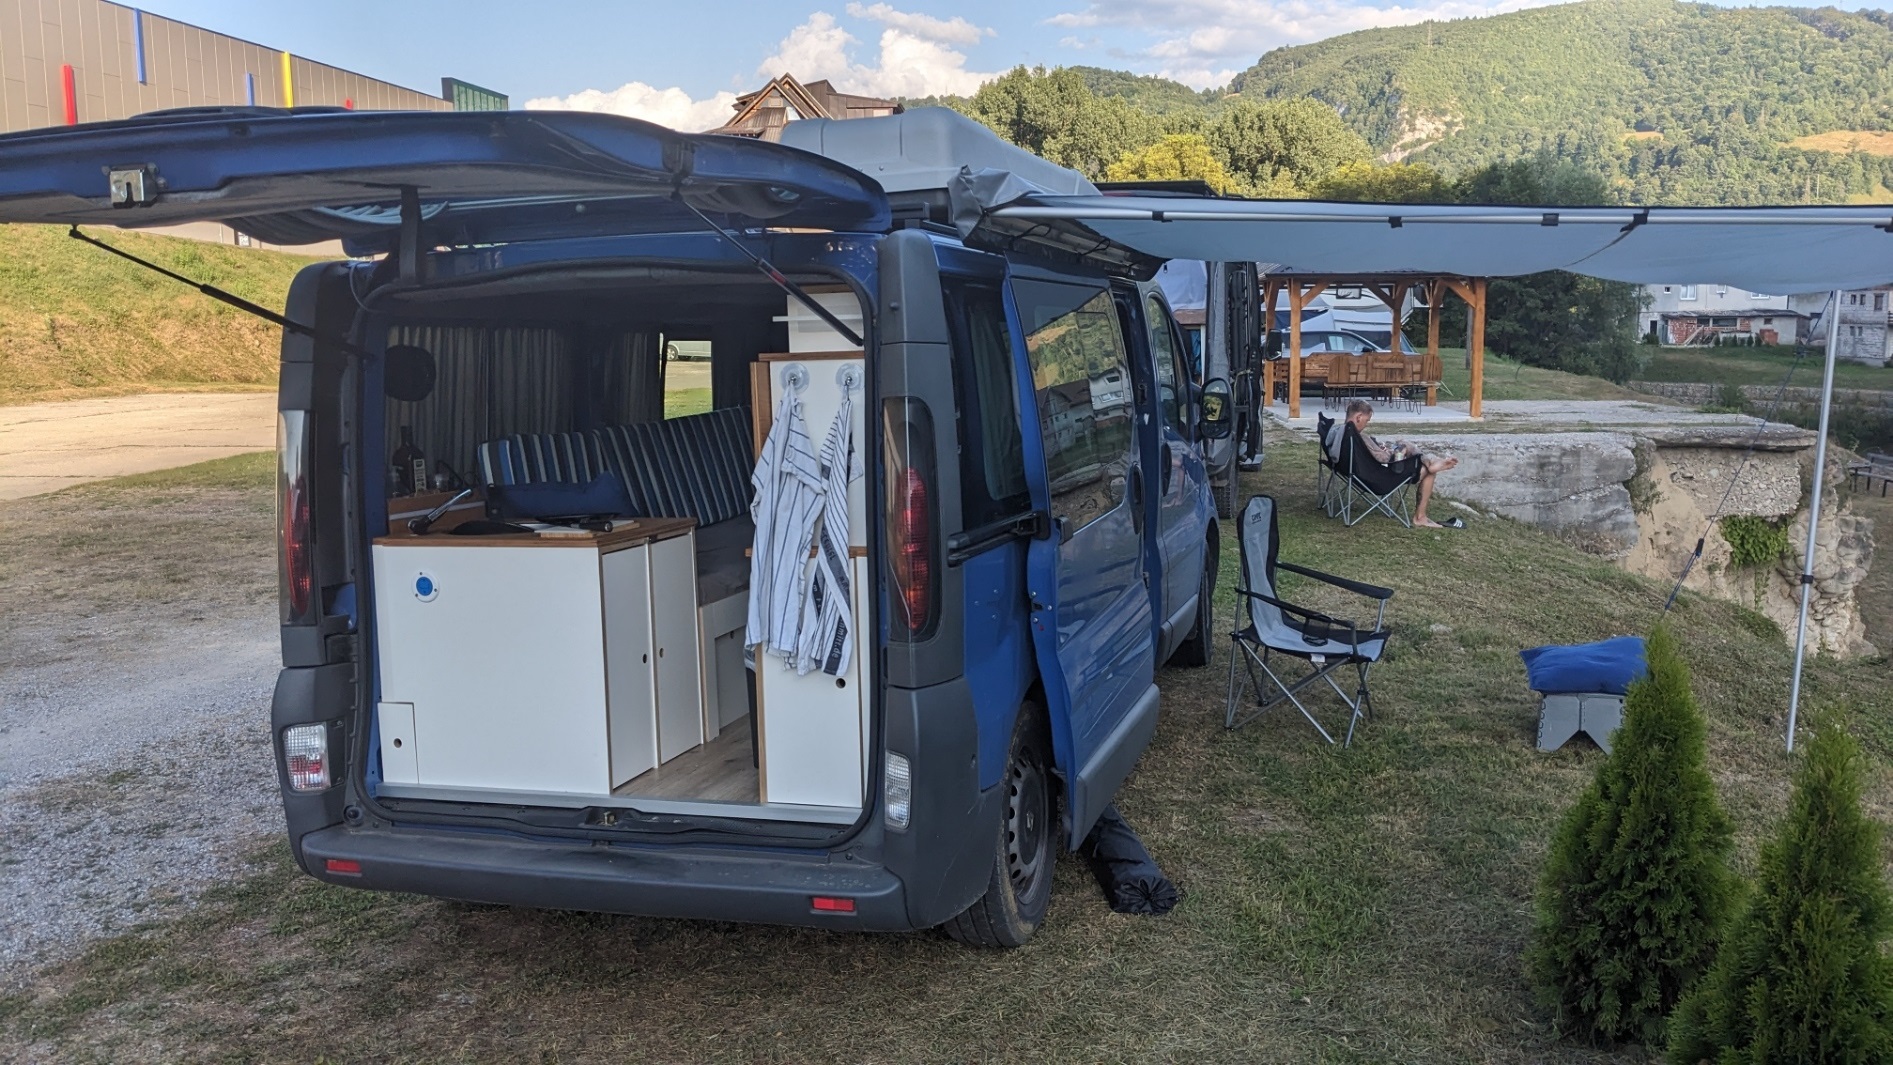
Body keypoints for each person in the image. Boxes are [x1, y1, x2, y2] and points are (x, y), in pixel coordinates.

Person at [1327, 399, 1461, 528]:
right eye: (1367, 421)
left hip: (1357, 474)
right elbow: (1384, 458)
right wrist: (1397, 450)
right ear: (1359, 417)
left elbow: (1373, 455)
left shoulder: (1339, 433)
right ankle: (1420, 517)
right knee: (1420, 461)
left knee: (1406, 448)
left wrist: (1381, 447)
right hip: (1380, 480)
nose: (1366, 424)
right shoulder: (1358, 438)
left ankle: (1429, 461)